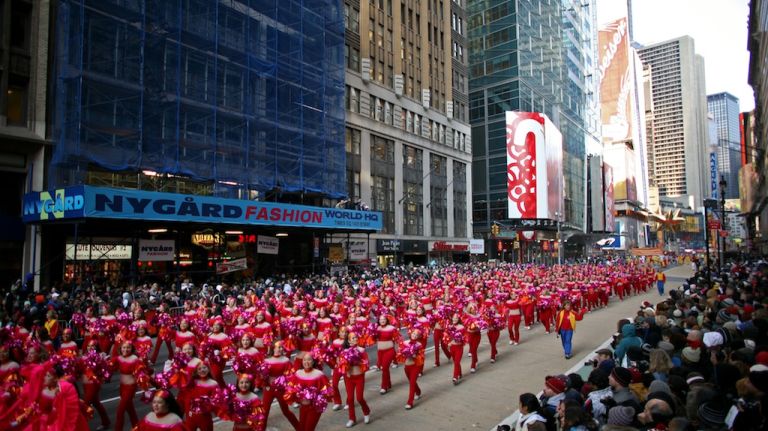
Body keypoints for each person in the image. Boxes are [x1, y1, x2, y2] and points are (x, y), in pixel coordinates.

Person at [290, 354, 331, 431]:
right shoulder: (298, 373)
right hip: (302, 407)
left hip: (314, 408)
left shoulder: (319, 374)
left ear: (313, 361)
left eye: (309, 360)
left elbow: (328, 391)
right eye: (304, 360)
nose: (306, 362)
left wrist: (316, 397)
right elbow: (290, 388)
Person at [342, 332, 371, 427]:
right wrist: (345, 369)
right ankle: (352, 419)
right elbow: (342, 364)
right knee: (350, 399)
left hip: (359, 377)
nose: (355, 339)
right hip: (349, 378)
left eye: (356, 337)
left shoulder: (361, 350)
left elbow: (367, 363)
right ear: (349, 341)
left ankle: (366, 411)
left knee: (359, 398)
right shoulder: (345, 351)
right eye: (353, 338)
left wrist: (359, 361)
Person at [400, 329, 425, 410]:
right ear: (411, 334)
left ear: (418, 337)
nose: (414, 335)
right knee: (412, 382)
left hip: (415, 366)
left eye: (416, 335)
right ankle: (418, 391)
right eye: (413, 333)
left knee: (412, 383)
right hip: (407, 367)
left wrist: (415, 356)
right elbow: (400, 354)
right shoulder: (405, 343)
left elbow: (422, 356)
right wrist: (403, 353)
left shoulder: (419, 345)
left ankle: (410, 402)